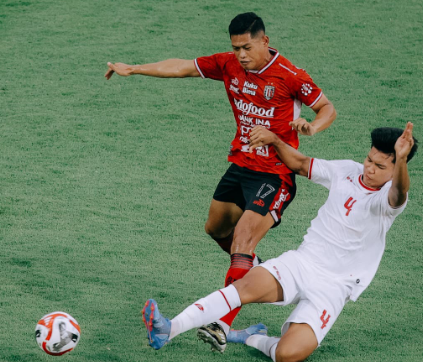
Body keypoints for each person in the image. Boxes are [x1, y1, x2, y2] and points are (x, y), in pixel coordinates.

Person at [107, 12, 337, 339]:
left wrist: (311, 126)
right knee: (215, 229)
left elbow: (327, 108)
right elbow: (184, 66)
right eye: (235, 48)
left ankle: (222, 325)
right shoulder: (228, 64)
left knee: (242, 242)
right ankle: (250, 272)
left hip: (275, 174)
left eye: (246, 47)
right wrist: (135, 68)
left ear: (264, 41)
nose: (241, 55)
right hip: (240, 165)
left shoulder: (290, 75)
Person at [141, 122, 417, 361]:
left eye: (380, 166)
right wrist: (275, 139)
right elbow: (299, 164)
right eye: (369, 159)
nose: (369, 168)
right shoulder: (346, 170)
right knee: (243, 287)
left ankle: (248, 338)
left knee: (288, 354)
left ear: (394, 170)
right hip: (302, 263)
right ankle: (168, 329)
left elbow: (399, 192)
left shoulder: (387, 201)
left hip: (334, 287)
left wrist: (402, 160)